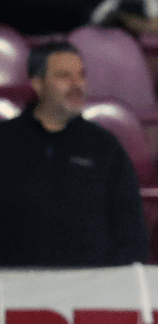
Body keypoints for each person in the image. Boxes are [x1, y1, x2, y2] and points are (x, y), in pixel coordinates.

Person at [0, 41, 147, 268]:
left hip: (91, 284)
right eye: (64, 76)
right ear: (37, 84)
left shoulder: (104, 147)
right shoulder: (6, 141)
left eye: (81, 75)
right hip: (12, 283)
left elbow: (131, 233)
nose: (77, 84)